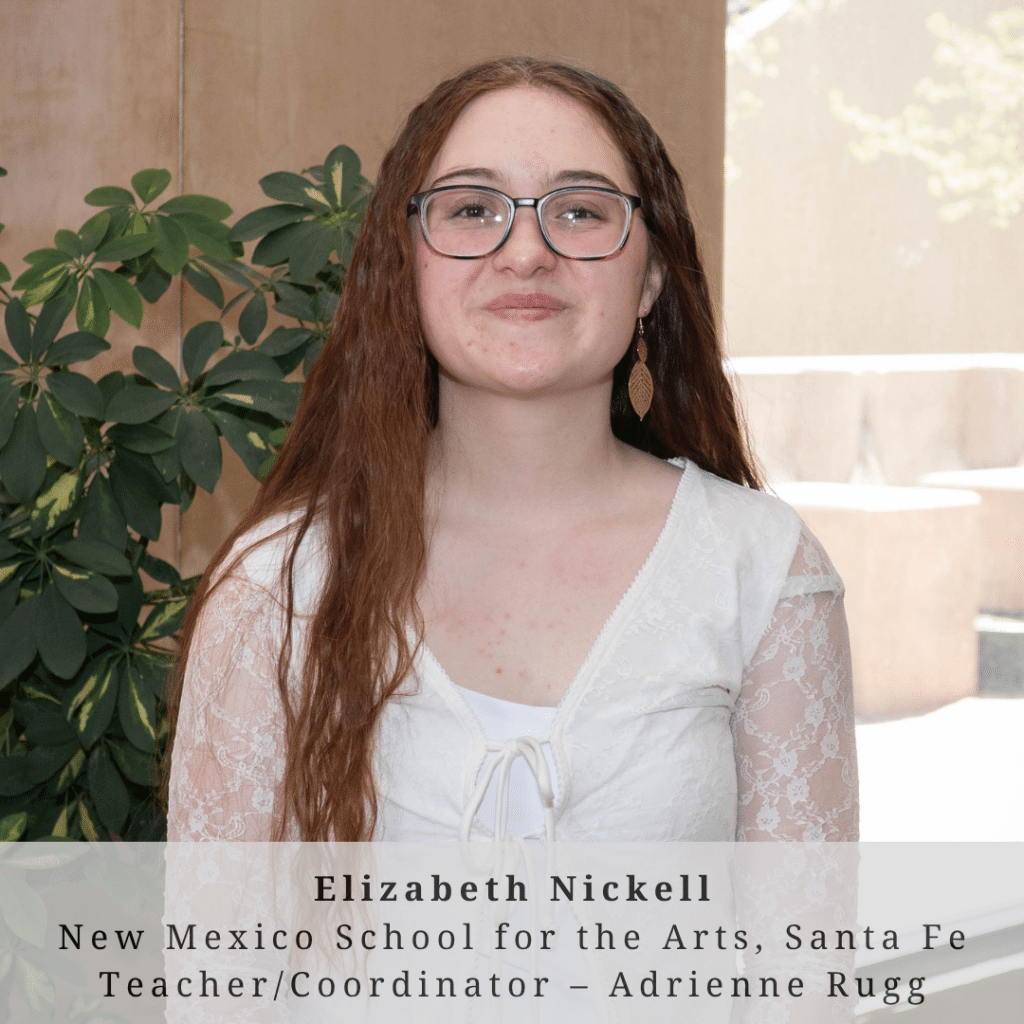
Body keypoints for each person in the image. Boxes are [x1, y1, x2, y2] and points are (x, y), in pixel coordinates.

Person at [165, 56, 858, 846]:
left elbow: (796, 961)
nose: (525, 251)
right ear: (407, 266)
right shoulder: (276, 587)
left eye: (580, 211)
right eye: (470, 209)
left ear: (651, 280)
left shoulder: (766, 574)